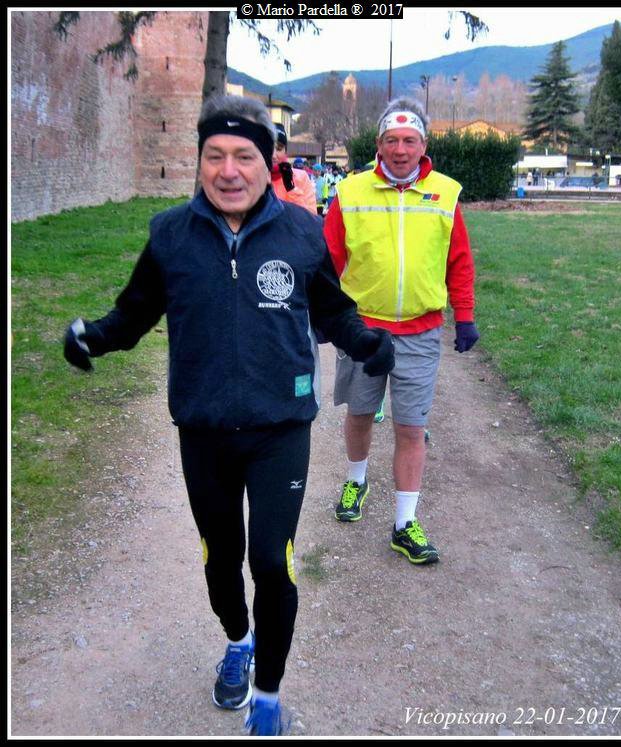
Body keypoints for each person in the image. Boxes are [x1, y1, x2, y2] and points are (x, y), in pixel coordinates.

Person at [63, 94, 394, 736]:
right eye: (214, 156)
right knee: (222, 558)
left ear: (268, 164)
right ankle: (238, 640)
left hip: (280, 427)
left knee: (271, 560)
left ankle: (267, 696)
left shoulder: (301, 232)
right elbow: (133, 313)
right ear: (199, 162)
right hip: (205, 430)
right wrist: (93, 338)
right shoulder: (170, 236)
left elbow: (332, 310)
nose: (228, 170)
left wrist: (365, 342)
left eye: (244, 156)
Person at [323, 96, 479, 565]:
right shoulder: (350, 192)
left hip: (420, 331)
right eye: (392, 140)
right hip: (362, 331)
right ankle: (356, 481)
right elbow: (327, 261)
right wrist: (324, 316)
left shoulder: (445, 194)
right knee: (360, 414)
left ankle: (404, 523)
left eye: (410, 140)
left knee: (411, 427)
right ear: (379, 143)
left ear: (423, 145)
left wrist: (465, 315)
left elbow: (459, 261)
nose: (400, 149)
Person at [270, 124, 317, 214]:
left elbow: (310, 218)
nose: (273, 155)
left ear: (285, 151)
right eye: (269, 148)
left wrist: (292, 190)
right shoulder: (253, 178)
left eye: (279, 149)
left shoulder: (301, 177)